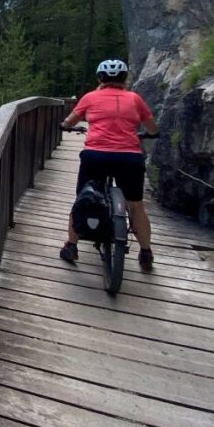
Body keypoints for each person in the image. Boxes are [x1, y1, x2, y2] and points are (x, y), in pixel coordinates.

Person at [58, 59, 158, 271]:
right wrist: (151, 134)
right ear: (124, 79)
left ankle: (72, 246)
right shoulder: (134, 98)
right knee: (136, 206)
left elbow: (70, 121)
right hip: (129, 158)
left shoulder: (91, 97)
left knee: (82, 199)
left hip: (96, 156)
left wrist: (65, 126)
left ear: (100, 79)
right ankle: (146, 252)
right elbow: (150, 126)